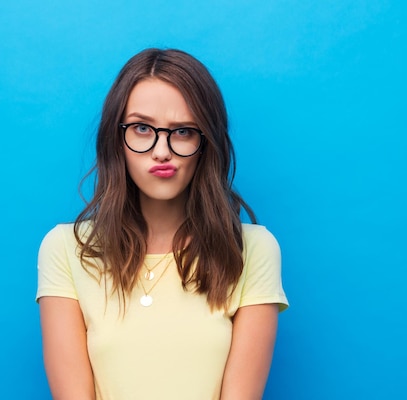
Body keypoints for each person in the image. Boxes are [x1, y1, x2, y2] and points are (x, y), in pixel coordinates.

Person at [36, 48, 288, 400]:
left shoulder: (252, 250)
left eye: (183, 131)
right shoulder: (65, 249)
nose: (162, 151)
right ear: (116, 138)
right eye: (142, 128)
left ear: (206, 143)